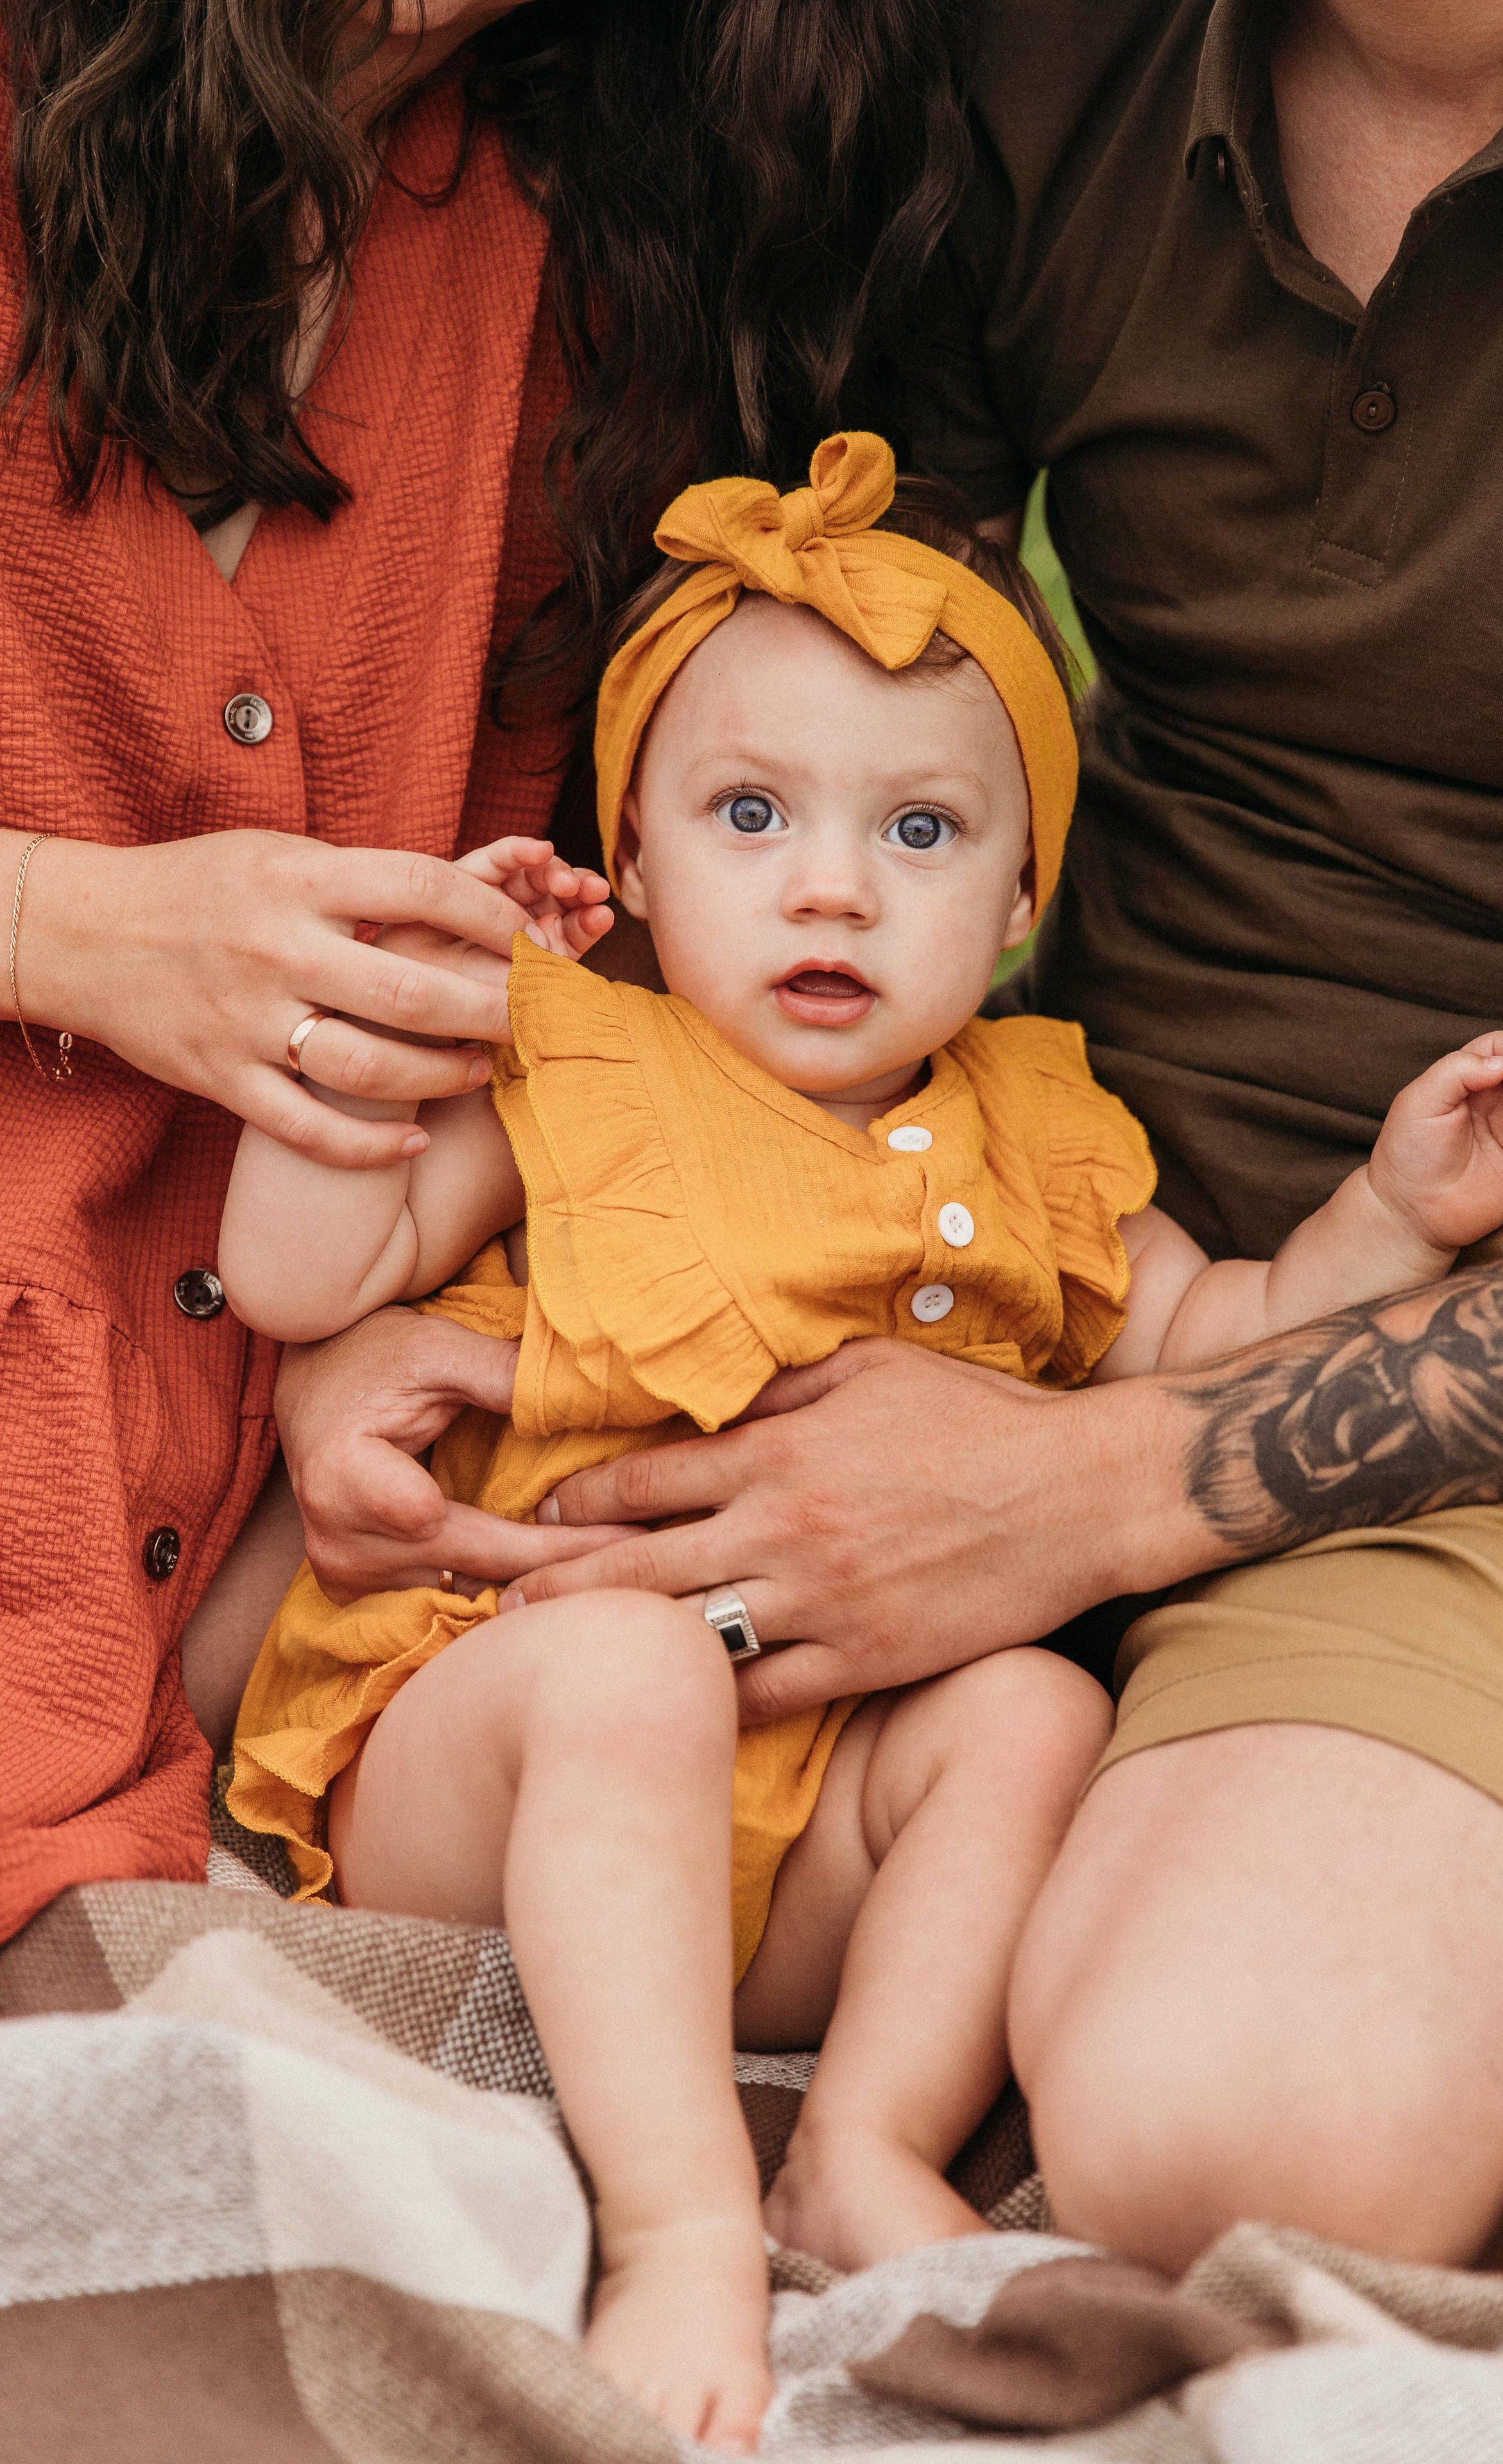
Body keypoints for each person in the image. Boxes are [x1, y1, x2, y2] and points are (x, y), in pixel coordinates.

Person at [275, 0, 1503, 2278]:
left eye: (918, 844)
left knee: (1241, 2124)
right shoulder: (1030, 58)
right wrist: (395, 1311)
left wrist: (1090, 1488)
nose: (833, 881)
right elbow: (830, 679)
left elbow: (1201, 1332)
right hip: (978, 1281)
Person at [0, 0, 972, 1940]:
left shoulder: (621, 236)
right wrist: (61, 926)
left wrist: (430, 1321)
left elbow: (693, 927)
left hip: (292, 1562)